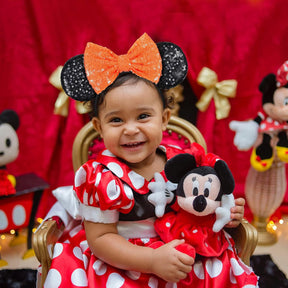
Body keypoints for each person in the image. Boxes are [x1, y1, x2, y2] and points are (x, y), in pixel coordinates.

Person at [43, 33, 256, 288]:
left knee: (217, 267)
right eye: (116, 120)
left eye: (143, 116)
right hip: (125, 260)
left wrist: (225, 213)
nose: (130, 129)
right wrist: (151, 260)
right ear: (99, 127)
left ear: (164, 119)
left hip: (186, 250)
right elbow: (101, 240)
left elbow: (203, 201)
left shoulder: (185, 161)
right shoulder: (101, 177)